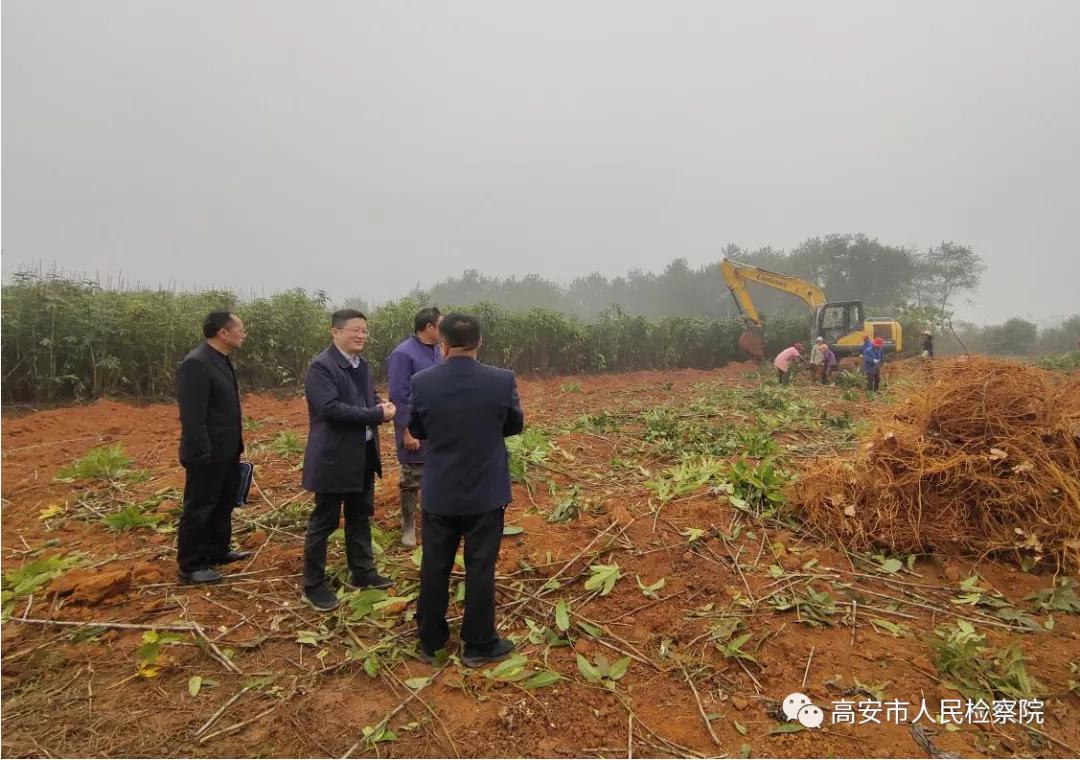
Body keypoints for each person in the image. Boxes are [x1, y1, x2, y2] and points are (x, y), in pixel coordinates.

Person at [408, 313, 524, 667]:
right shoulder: (501, 380)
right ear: (480, 342)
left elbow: (418, 428)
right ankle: (478, 644)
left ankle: (431, 640)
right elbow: (514, 425)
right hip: (485, 492)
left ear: (442, 343)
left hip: (441, 491)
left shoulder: (423, 382)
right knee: (480, 568)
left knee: (435, 565)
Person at [300, 309, 397, 612]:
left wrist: (378, 401)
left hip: (363, 455)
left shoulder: (361, 365)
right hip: (335, 457)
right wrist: (376, 414)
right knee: (324, 520)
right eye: (355, 330)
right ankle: (314, 585)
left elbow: (364, 395)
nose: (360, 336)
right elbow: (330, 409)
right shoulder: (322, 367)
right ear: (335, 332)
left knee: (359, 515)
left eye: (364, 331)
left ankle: (363, 572)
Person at [176, 310, 252, 584]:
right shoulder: (196, 364)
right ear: (223, 333)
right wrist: (201, 454)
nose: (243, 333)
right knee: (200, 506)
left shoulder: (220, 360)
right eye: (240, 328)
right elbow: (193, 417)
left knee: (223, 502)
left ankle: (217, 550)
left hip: (227, 449)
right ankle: (191, 564)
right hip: (205, 453)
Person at [386, 307, 443, 548]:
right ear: (429, 327)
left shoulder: (439, 351)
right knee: (412, 477)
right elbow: (398, 396)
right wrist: (406, 431)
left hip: (438, 426)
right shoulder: (403, 354)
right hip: (414, 427)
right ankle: (408, 527)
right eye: (441, 324)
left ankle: (434, 523)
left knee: (437, 475)